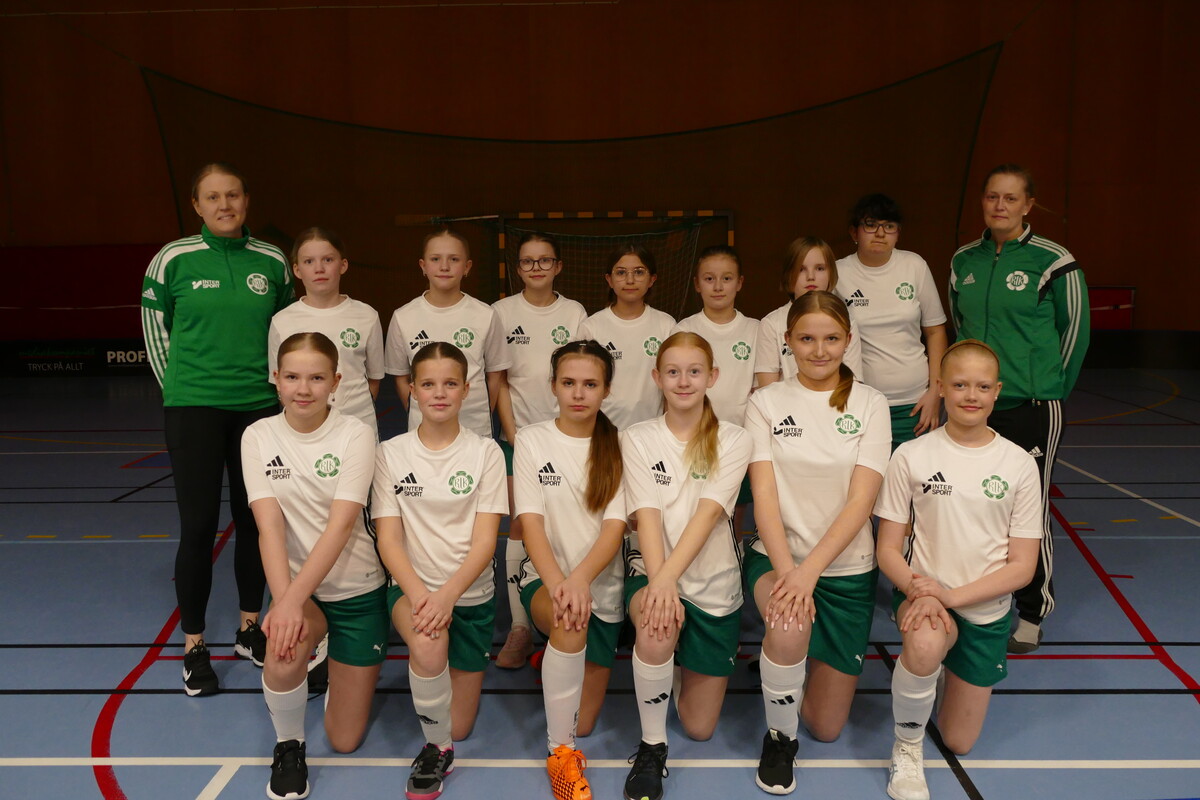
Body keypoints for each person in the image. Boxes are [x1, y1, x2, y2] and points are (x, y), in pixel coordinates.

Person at [140, 162, 294, 696]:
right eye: (212, 197)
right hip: (194, 409)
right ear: (197, 205)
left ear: (246, 201)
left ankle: (250, 629)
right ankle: (195, 646)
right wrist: (180, 389)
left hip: (260, 411)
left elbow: (286, 333)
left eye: (232, 195)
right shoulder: (172, 259)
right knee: (199, 526)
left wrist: (280, 396)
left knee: (257, 522)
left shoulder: (272, 261)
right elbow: (155, 330)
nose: (224, 205)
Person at [875, 340, 1041, 800]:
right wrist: (921, 591)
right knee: (927, 642)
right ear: (941, 387)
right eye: (961, 384)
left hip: (983, 611)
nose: (972, 395)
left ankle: (942, 670)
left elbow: (1023, 567)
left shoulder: (1018, 464)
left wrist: (948, 596)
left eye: (983, 387)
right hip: (922, 599)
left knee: (958, 741)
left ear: (997, 391)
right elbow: (887, 549)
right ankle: (907, 748)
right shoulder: (911, 455)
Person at [743, 291, 890, 794]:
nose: (819, 350)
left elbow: (861, 502)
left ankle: (783, 670)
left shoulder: (871, 404)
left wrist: (811, 573)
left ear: (848, 340)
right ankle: (779, 738)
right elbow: (764, 500)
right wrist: (791, 573)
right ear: (788, 341)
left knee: (826, 728)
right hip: (777, 562)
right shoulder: (765, 403)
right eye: (806, 338)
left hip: (846, 572)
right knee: (788, 624)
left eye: (831, 338)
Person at [949, 164, 1090, 653]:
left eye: (1011, 198)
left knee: (1028, 507)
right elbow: (960, 327)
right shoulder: (963, 260)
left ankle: (1031, 613)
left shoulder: (1054, 261)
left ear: (1028, 205)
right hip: (975, 407)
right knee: (971, 500)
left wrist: (1049, 388)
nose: (1000, 206)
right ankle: (971, 597)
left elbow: (1076, 332)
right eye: (992, 197)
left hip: (1033, 406)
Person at [241, 332, 385, 800]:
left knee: (344, 740)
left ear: (336, 382)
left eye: (317, 378)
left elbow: (340, 528)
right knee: (283, 649)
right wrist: (286, 604)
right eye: (292, 377)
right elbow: (269, 528)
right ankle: (289, 745)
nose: (303, 389)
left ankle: (330, 664)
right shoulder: (258, 436)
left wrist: (288, 602)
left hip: (357, 590)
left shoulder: (355, 434)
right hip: (300, 590)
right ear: (276, 379)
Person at [621, 332, 752, 800]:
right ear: (657, 377)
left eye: (694, 372)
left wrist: (668, 580)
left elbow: (707, 515)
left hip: (713, 584)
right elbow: (647, 517)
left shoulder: (735, 439)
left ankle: (673, 665)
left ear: (712, 377)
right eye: (673, 372)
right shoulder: (637, 437)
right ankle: (652, 745)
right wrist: (660, 585)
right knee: (656, 624)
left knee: (699, 728)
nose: (683, 381)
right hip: (653, 570)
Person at [373, 342, 507, 800]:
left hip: (469, 597)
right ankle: (437, 748)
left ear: (467, 390)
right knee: (429, 642)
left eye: (450, 383)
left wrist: (447, 596)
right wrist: (422, 597)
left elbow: (485, 542)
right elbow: (389, 541)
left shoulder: (486, 453)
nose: (439, 393)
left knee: (461, 723)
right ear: (411, 390)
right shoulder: (390, 453)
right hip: (413, 592)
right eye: (428, 384)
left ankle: (445, 724)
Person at [514, 340, 626, 800]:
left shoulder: (620, 445)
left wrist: (581, 580)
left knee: (588, 718)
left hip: (601, 588)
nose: (578, 394)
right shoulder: (532, 439)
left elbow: (615, 527)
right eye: (569, 383)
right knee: (569, 621)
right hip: (547, 581)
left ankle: (555, 658)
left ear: (606, 390)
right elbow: (531, 525)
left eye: (590, 384)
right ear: (553, 386)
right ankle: (560, 754)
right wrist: (562, 585)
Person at [492, 233, 588, 670]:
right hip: (519, 439)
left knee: (571, 519)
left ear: (558, 266)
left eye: (544, 261)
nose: (536, 268)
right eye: (528, 262)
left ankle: (573, 604)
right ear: (518, 268)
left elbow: (581, 370)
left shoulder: (574, 313)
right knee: (520, 524)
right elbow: (500, 380)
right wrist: (515, 434)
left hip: (569, 438)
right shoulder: (501, 313)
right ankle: (519, 627)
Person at [837, 195, 948, 448]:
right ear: (854, 232)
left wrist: (935, 392)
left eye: (889, 226)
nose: (880, 233)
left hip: (916, 404)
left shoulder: (914, 265)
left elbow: (935, 331)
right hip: (859, 402)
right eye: (870, 224)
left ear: (898, 233)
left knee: (914, 473)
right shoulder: (838, 273)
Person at [383, 228, 513, 440]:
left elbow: (495, 375)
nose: (444, 266)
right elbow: (401, 377)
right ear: (423, 266)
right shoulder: (403, 317)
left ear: (467, 267)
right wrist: (426, 412)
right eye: (435, 259)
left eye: (454, 259)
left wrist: (479, 413)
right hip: (423, 431)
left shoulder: (486, 315)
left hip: (475, 429)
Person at [269, 228, 385, 436]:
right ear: (297, 270)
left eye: (328, 260)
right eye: (309, 261)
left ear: (343, 265)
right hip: (303, 428)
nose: (319, 269)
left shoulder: (367, 316)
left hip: (357, 424)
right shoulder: (282, 321)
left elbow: (374, 379)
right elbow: (280, 384)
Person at [577, 244, 675, 429]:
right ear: (609, 279)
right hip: (602, 432)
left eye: (639, 272)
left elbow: (673, 384)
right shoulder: (591, 327)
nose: (630, 280)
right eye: (621, 273)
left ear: (652, 279)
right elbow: (581, 384)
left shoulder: (666, 325)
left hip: (652, 432)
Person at [754, 237, 863, 388]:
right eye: (801, 269)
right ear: (788, 274)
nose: (811, 277)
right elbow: (767, 390)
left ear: (831, 273)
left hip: (836, 401)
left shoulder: (846, 320)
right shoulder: (772, 324)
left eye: (820, 268)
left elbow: (852, 385)